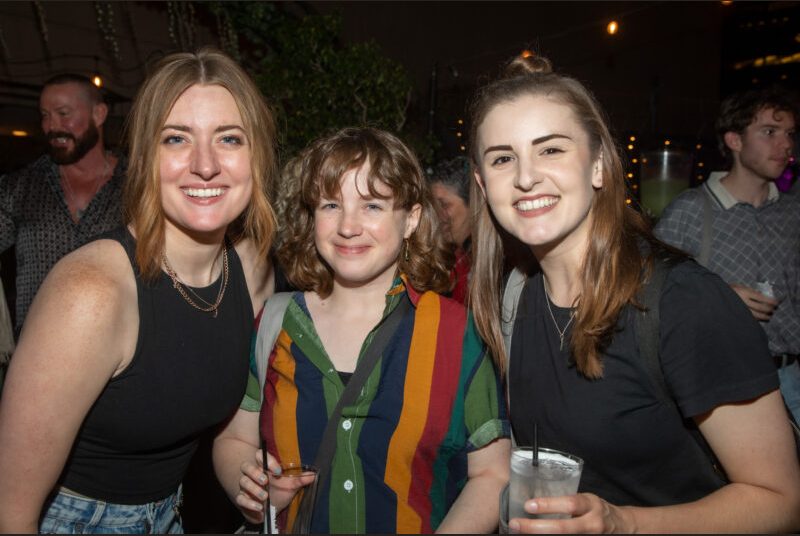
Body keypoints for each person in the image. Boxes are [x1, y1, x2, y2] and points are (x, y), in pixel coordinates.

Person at [468, 55, 800, 532]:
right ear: (482, 183)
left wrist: (622, 523)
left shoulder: (685, 302)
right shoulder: (515, 296)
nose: (525, 176)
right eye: (503, 158)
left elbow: (781, 502)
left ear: (599, 164)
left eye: (551, 150)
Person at [0, 48, 277, 533]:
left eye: (229, 138)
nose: (205, 165)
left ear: (257, 155)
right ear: (146, 156)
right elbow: (9, 507)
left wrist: (253, 486)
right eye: (177, 139)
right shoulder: (90, 294)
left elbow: (231, 426)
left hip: (172, 513)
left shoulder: (251, 268)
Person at [213, 127, 510, 534]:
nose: (348, 226)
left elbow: (491, 475)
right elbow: (232, 442)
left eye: (372, 206)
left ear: (411, 220)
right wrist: (250, 486)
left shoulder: (458, 334)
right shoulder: (275, 325)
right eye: (331, 204)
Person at [656, 88, 800, 424]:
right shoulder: (690, 211)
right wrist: (719, 297)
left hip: (791, 377)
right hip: (723, 385)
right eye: (769, 132)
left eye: (790, 134)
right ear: (734, 140)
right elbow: (648, 289)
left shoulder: (793, 213)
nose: (786, 145)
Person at [0, 74, 126, 335]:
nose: (51, 126)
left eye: (63, 113)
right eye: (45, 115)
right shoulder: (20, 187)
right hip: (36, 355)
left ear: (99, 114)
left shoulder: (137, 187)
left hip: (120, 358)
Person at [428, 156, 472, 303]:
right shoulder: (455, 259)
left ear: (472, 204)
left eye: (445, 205)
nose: (438, 215)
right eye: (435, 207)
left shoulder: (487, 263)